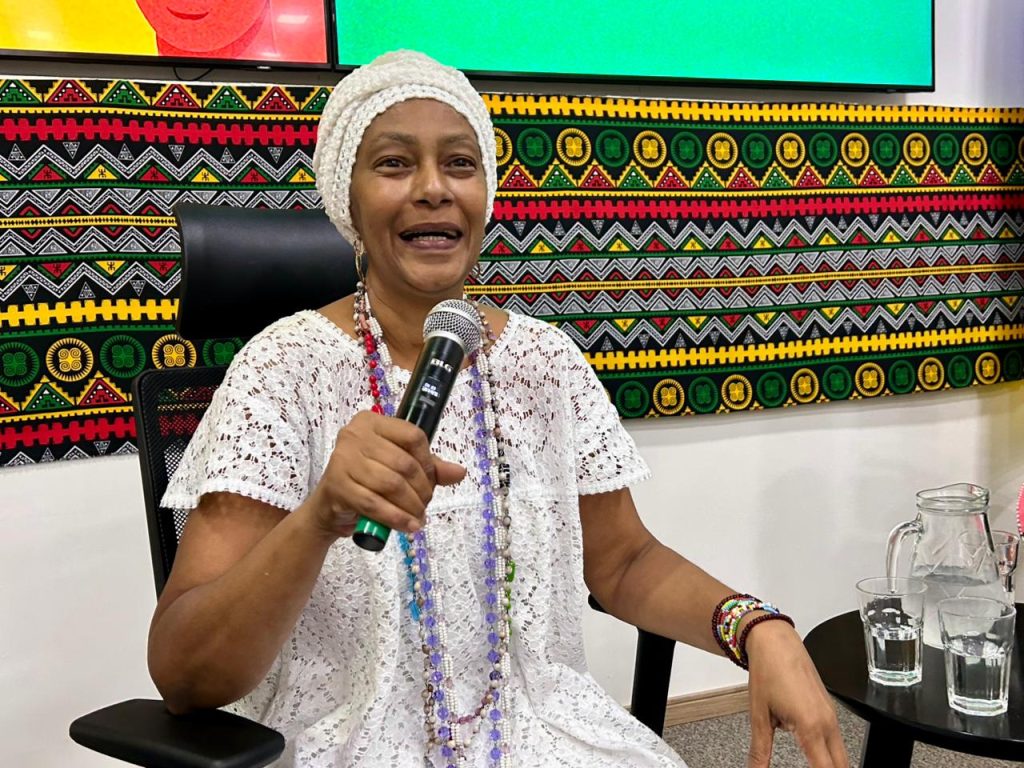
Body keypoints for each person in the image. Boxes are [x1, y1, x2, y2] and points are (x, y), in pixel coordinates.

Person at [150, 50, 850, 768]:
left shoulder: (546, 362)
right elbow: (183, 676)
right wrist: (318, 519)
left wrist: (756, 626)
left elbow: (626, 561)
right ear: (348, 201)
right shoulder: (281, 370)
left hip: (537, 730)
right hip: (346, 742)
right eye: (394, 164)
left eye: (459, 164)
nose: (432, 189)